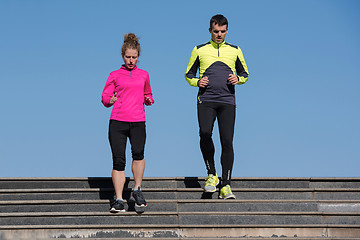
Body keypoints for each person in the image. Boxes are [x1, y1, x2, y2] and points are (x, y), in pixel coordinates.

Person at [185, 14, 249, 199]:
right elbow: (188, 74)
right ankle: (212, 175)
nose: (219, 35)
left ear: (227, 31)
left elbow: (245, 73)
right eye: (215, 31)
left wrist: (238, 79)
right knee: (205, 133)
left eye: (222, 31)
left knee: (227, 141)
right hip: (206, 100)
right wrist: (198, 82)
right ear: (210, 31)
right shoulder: (199, 49)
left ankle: (226, 185)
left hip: (227, 101)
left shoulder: (235, 50)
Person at [102, 33, 154, 213]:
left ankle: (137, 190)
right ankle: (118, 200)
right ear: (123, 56)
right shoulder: (114, 75)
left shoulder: (144, 75)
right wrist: (110, 99)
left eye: (134, 57)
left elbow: (148, 94)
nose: (131, 60)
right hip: (118, 121)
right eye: (128, 57)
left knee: (138, 154)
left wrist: (148, 99)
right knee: (118, 161)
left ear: (138, 56)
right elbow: (105, 97)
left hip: (138, 121)